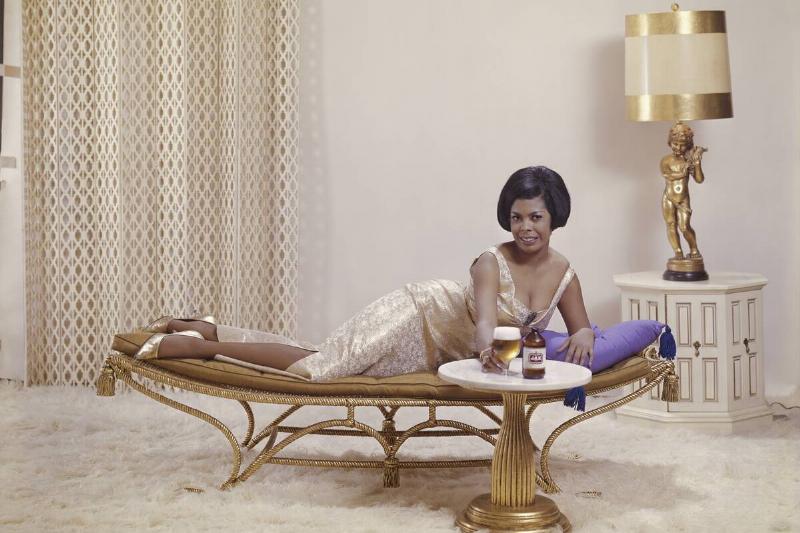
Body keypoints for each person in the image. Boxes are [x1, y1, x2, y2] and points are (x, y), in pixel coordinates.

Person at [124, 166, 595, 380]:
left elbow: (583, 329)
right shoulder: (492, 260)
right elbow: (488, 322)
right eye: (517, 217)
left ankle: (210, 328)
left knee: (322, 355)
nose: (525, 227)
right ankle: (202, 346)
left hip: (436, 353)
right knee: (324, 366)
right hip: (419, 317)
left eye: (535, 217)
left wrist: (589, 337)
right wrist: (488, 347)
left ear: (555, 216)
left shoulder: (564, 273)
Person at [660, 122, 707, 260]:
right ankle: (678, 252)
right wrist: (683, 171)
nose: (678, 148)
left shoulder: (689, 160)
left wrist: (697, 163)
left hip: (683, 199)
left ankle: (694, 250)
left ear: (688, 145)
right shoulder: (666, 160)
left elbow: (699, 179)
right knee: (670, 224)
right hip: (668, 197)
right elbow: (667, 175)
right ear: (670, 142)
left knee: (684, 226)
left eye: (682, 145)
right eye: (675, 144)